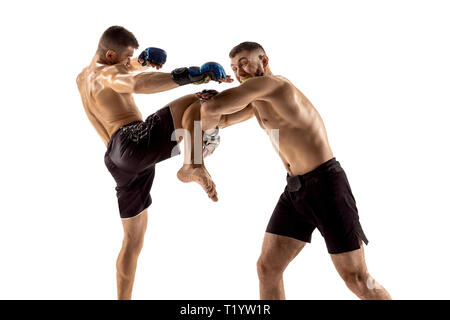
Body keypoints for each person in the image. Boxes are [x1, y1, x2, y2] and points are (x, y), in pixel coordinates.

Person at [199, 42, 392, 300]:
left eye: (244, 62)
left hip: (326, 187)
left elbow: (213, 112)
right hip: (295, 190)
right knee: (267, 269)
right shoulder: (257, 98)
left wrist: (210, 125)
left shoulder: (274, 86)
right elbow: (219, 117)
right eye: (234, 67)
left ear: (264, 61)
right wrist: (206, 109)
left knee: (358, 279)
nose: (239, 71)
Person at [76, 26, 231, 299]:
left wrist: (140, 62)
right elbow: (134, 83)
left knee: (132, 242)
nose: (129, 63)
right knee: (199, 100)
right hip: (132, 142)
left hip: (117, 161)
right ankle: (194, 161)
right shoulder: (111, 73)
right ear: (111, 55)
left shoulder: (84, 77)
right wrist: (188, 75)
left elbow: (124, 74)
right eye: (126, 58)